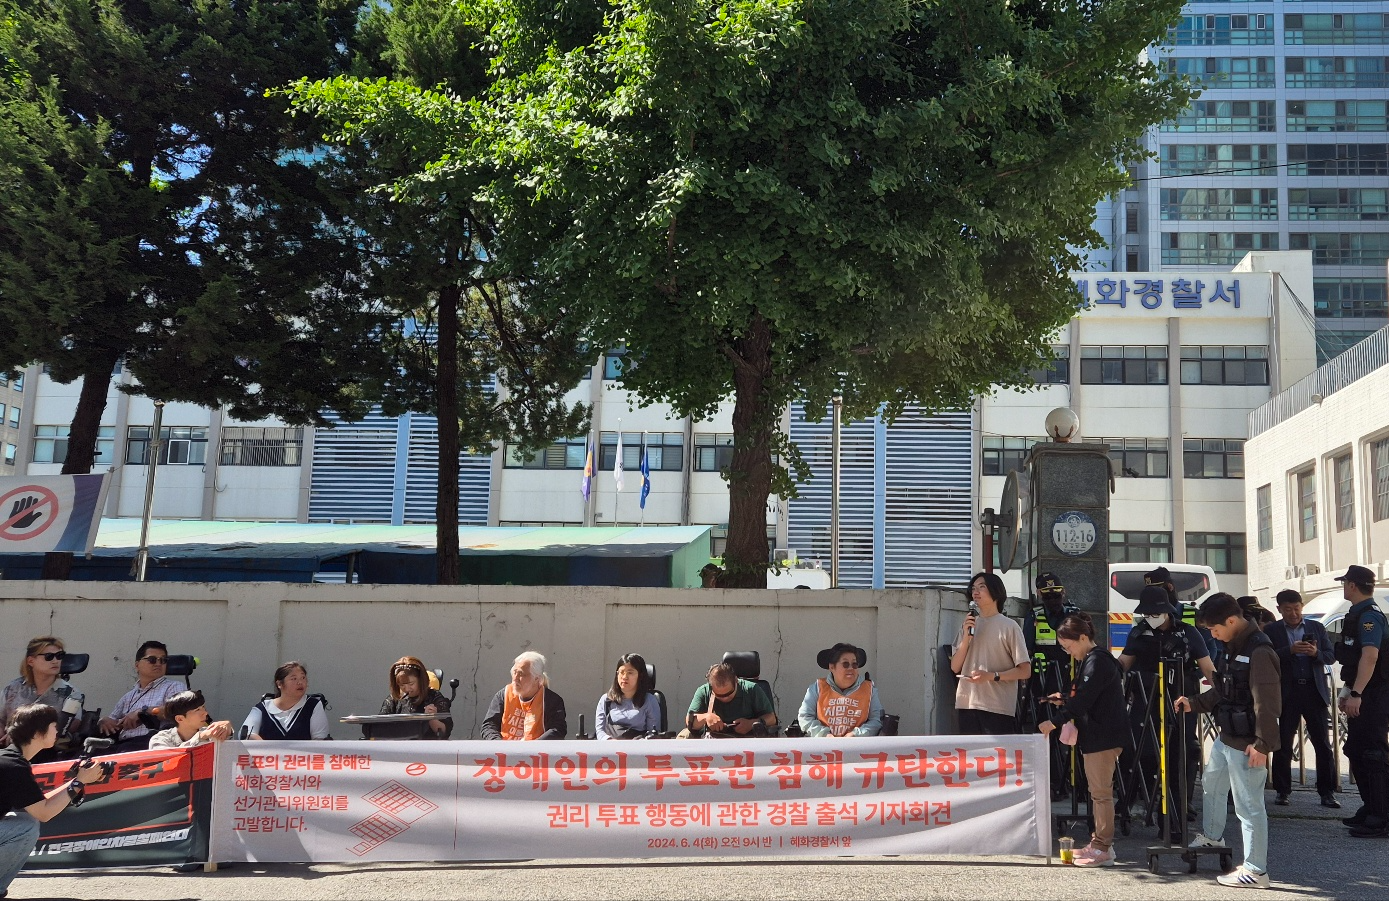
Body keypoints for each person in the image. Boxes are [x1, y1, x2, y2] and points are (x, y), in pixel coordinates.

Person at [1178, 592, 1280, 889]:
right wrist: (1193, 703)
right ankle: (1211, 836)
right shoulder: (1233, 646)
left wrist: (1262, 744)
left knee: (1249, 806)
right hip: (1228, 737)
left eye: (1214, 628)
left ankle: (1256, 870)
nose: (1213, 634)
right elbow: (1224, 689)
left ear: (1232, 620)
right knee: (1212, 784)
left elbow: (1268, 702)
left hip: (1248, 742)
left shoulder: (1259, 651)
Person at [1119, 584, 1216, 840]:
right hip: (1145, 702)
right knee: (1143, 755)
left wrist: (1222, 693)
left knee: (1180, 757)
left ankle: (1175, 816)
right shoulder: (1138, 633)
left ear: (1166, 611)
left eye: (1154, 613)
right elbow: (1123, 665)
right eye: (1146, 614)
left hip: (1180, 702)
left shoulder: (1188, 633)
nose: (1150, 618)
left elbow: (1208, 669)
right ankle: (1140, 803)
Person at [1038, 613, 1128, 868]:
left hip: (1103, 735)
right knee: (1098, 792)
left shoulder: (1097, 661)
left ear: (1083, 637)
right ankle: (1099, 843)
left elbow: (1084, 700)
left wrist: (1054, 721)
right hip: (1099, 734)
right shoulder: (1094, 659)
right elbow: (1086, 696)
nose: (1069, 653)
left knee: (1100, 794)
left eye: (1069, 646)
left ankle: (1102, 847)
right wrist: (1065, 698)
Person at [2, 704, 121, 897]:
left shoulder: (11, 759)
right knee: (26, 827)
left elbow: (40, 804)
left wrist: (76, 783)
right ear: (37, 733)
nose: (58, 730)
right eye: (53, 726)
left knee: (22, 820)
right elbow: (44, 813)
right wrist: (80, 781)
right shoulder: (14, 766)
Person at [1265, 589, 1338, 809]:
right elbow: (1266, 657)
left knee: (1322, 744)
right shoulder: (1272, 630)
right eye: (1288, 609)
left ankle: (1327, 792)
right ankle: (1282, 790)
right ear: (1279, 610)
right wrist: (1290, 650)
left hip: (1314, 691)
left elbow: (1330, 656)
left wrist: (1315, 654)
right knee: (1284, 743)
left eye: (1297, 608)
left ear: (1301, 607)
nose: (1294, 613)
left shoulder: (1316, 628)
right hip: (1287, 692)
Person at [1332, 565, 1388, 838]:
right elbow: (1355, 662)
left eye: (1345, 583)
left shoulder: (1369, 617)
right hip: (1362, 691)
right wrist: (1348, 690)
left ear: (1352, 585)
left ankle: (1381, 816)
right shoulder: (1357, 614)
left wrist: (1357, 694)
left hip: (1373, 695)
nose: (1343, 587)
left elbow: (1370, 657)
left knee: (1373, 754)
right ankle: (1371, 807)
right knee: (1355, 749)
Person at [950, 571, 1030, 735]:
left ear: (996, 592)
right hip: (967, 703)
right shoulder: (968, 624)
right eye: (973, 589)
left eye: (981, 587)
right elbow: (955, 666)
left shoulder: (1009, 626)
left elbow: (1025, 670)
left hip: (997, 707)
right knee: (971, 759)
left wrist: (992, 676)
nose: (975, 592)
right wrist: (966, 638)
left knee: (996, 759)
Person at [1023, 572, 1080, 795]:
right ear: (1040, 595)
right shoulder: (1034, 616)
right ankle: (1054, 783)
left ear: (1063, 592)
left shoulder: (1074, 614)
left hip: (1070, 683)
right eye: (1049, 596)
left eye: (1056, 594)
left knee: (1075, 733)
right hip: (1042, 686)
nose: (1054, 600)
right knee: (1048, 734)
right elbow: (1026, 650)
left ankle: (1076, 784)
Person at [0, 637, 84, 756]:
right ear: (30, 661)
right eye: (49, 656)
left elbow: (66, 728)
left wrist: (18, 734)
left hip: (49, 751)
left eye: (59, 655)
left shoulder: (72, 693)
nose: (55, 661)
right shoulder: (13, 688)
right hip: (8, 749)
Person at [97, 640, 185, 754]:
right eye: (152, 660)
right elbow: (113, 721)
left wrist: (143, 712)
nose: (158, 663)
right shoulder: (128, 696)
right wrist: (103, 721)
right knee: (83, 755)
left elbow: (179, 710)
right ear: (137, 665)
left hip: (152, 742)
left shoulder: (174, 686)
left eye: (163, 660)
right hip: (122, 743)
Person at [796, 643, 884, 738]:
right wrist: (824, 735)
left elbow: (876, 720)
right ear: (832, 667)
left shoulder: (869, 689)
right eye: (845, 664)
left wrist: (856, 734)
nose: (851, 668)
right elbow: (805, 717)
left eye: (854, 664)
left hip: (858, 748)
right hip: (822, 748)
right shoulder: (817, 688)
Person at [483, 651, 566, 740]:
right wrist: (498, 743)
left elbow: (558, 730)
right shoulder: (503, 695)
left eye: (521, 674)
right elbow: (488, 726)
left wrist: (532, 747)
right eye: (514, 672)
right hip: (505, 751)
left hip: (535, 752)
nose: (515, 678)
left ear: (537, 678)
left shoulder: (552, 701)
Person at [241, 662, 331, 741]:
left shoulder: (313, 705)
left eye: (303, 678)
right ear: (279, 684)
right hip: (268, 759)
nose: (300, 682)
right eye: (294, 679)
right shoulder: (263, 708)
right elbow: (246, 734)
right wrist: (267, 750)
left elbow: (319, 740)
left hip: (301, 759)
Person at [684, 663, 777, 737]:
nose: (725, 698)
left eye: (729, 694)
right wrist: (706, 717)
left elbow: (771, 718)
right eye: (719, 695)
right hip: (714, 743)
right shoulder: (703, 691)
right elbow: (689, 721)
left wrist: (751, 723)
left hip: (748, 741)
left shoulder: (751, 689)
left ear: (736, 681)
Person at [376, 657, 451, 740]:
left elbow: (445, 732)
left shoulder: (434, 697)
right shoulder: (394, 699)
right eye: (402, 685)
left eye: (411, 684)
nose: (407, 689)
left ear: (421, 680)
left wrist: (431, 718)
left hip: (426, 747)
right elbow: (378, 726)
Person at [595, 653, 662, 740]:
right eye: (621, 672)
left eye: (630, 673)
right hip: (610, 749)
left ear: (640, 676)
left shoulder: (649, 700)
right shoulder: (606, 700)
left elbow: (653, 734)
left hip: (638, 749)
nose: (624, 677)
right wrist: (610, 741)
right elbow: (600, 732)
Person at [147, 690, 234, 750]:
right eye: (198, 710)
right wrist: (200, 737)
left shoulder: (211, 733)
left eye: (203, 707)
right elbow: (171, 761)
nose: (205, 713)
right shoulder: (160, 739)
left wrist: (227, 730)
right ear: (180, 718)